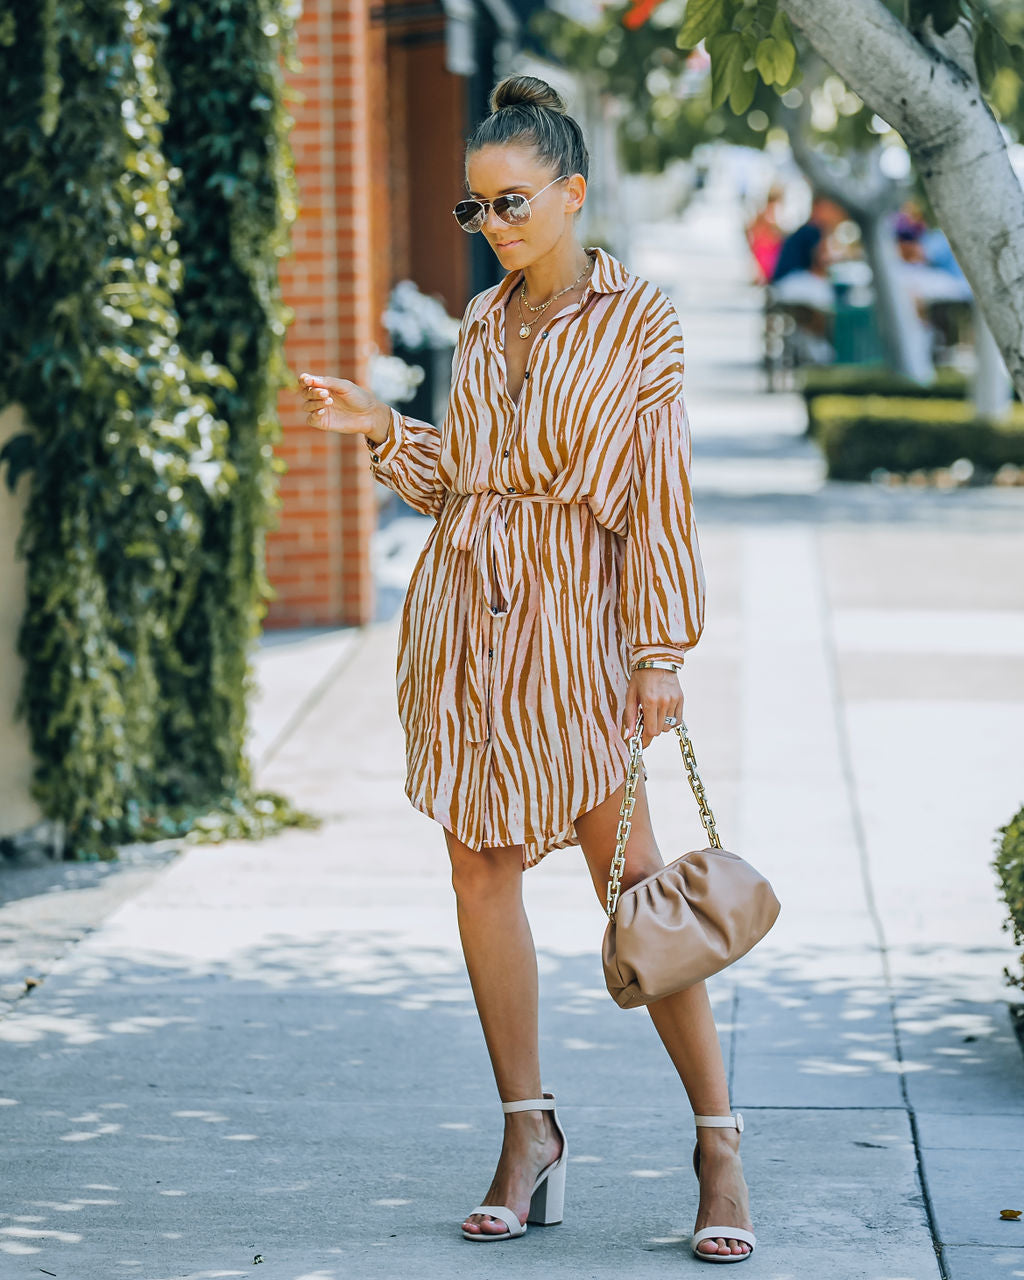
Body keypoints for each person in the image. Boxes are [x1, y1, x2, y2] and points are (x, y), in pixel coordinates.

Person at [298, 74, 755, 1263]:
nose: (492, 226)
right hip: (464, 628)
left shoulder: (638, 319)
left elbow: (658, 490)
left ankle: (717, 1145)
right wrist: (381, 430)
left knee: (642, 888)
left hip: (575, 635)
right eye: (474, 211)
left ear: (570, 195)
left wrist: (658, 650)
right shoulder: (487, 323)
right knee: (478, 869)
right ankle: (528, 1128)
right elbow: (467, 482)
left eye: (510, 204)